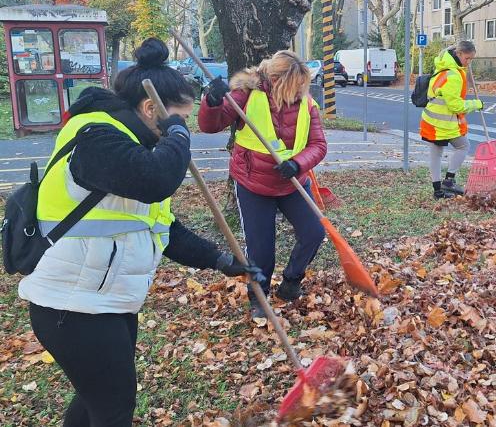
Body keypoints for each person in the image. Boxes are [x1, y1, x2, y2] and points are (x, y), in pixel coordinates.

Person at [17, 38, 258, 427]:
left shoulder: (133, 147)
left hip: (103, 303)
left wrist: (223, 261)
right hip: (71, 308)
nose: (181, 130)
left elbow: (164, 229)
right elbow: (156, 180)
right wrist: (179, 135)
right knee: (113, 409)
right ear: (152, 109)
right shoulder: (96, 135)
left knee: (95, 401)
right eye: (177, 117)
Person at [198, 50, 327, 316]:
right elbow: (211, 126)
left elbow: (318, 145)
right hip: (252, 183)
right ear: (277, 80)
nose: (300, 91)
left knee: (314, 232)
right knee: (261, 247)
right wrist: (211, 102)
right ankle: (259, 296)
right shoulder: (246, 95)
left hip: (292, 181)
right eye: (295, 85)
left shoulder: (307, 103)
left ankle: (291, 282)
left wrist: (298, 164)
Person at [419, 41, 484, 199]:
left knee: (436, 153)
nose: (469, 62)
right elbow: (456, 106)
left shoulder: (444, 65)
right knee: (463, 146)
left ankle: (438, 191)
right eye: (467, 58)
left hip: (431, 120)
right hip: (443, 122)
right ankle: (448, 181)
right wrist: (477, 104)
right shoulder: (453, 75)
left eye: (472, 60)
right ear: (459, 53)